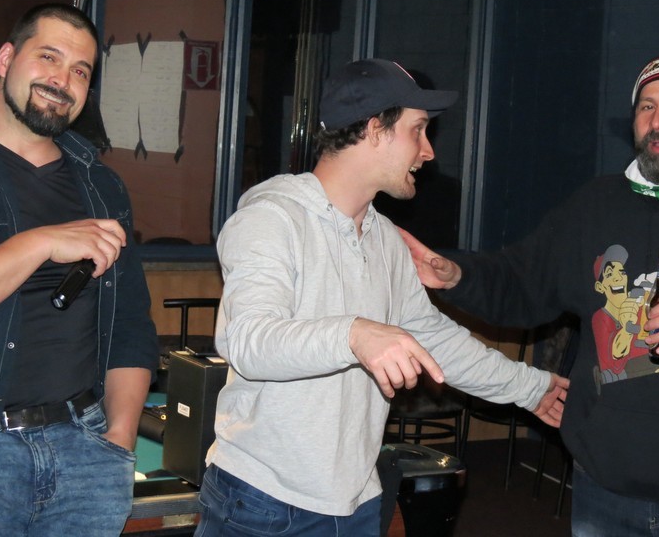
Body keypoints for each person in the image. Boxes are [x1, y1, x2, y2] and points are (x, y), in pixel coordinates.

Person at [401, 53, 659, 536]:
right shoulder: (594, 207)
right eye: (646, 106)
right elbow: (522, 281)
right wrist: (455, 274)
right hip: (604, 491)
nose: (657, 121)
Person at [196, 58, 570, 536]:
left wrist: (529, 388)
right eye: (418, 130)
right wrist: (355, 334)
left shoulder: (386, 239)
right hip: (263, 502)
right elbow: (250, 342)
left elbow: (432, 339)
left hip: (357, 500)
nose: (428, 151)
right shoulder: (270, 220)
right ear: (375, 130)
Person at [0, 3, 158, 534]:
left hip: (86, 450)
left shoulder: (101, 185)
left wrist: (120, 438)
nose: (62, 81)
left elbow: (130, 322)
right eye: (49, 57)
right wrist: (43, 242)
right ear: (5, 59)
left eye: (81, 71)